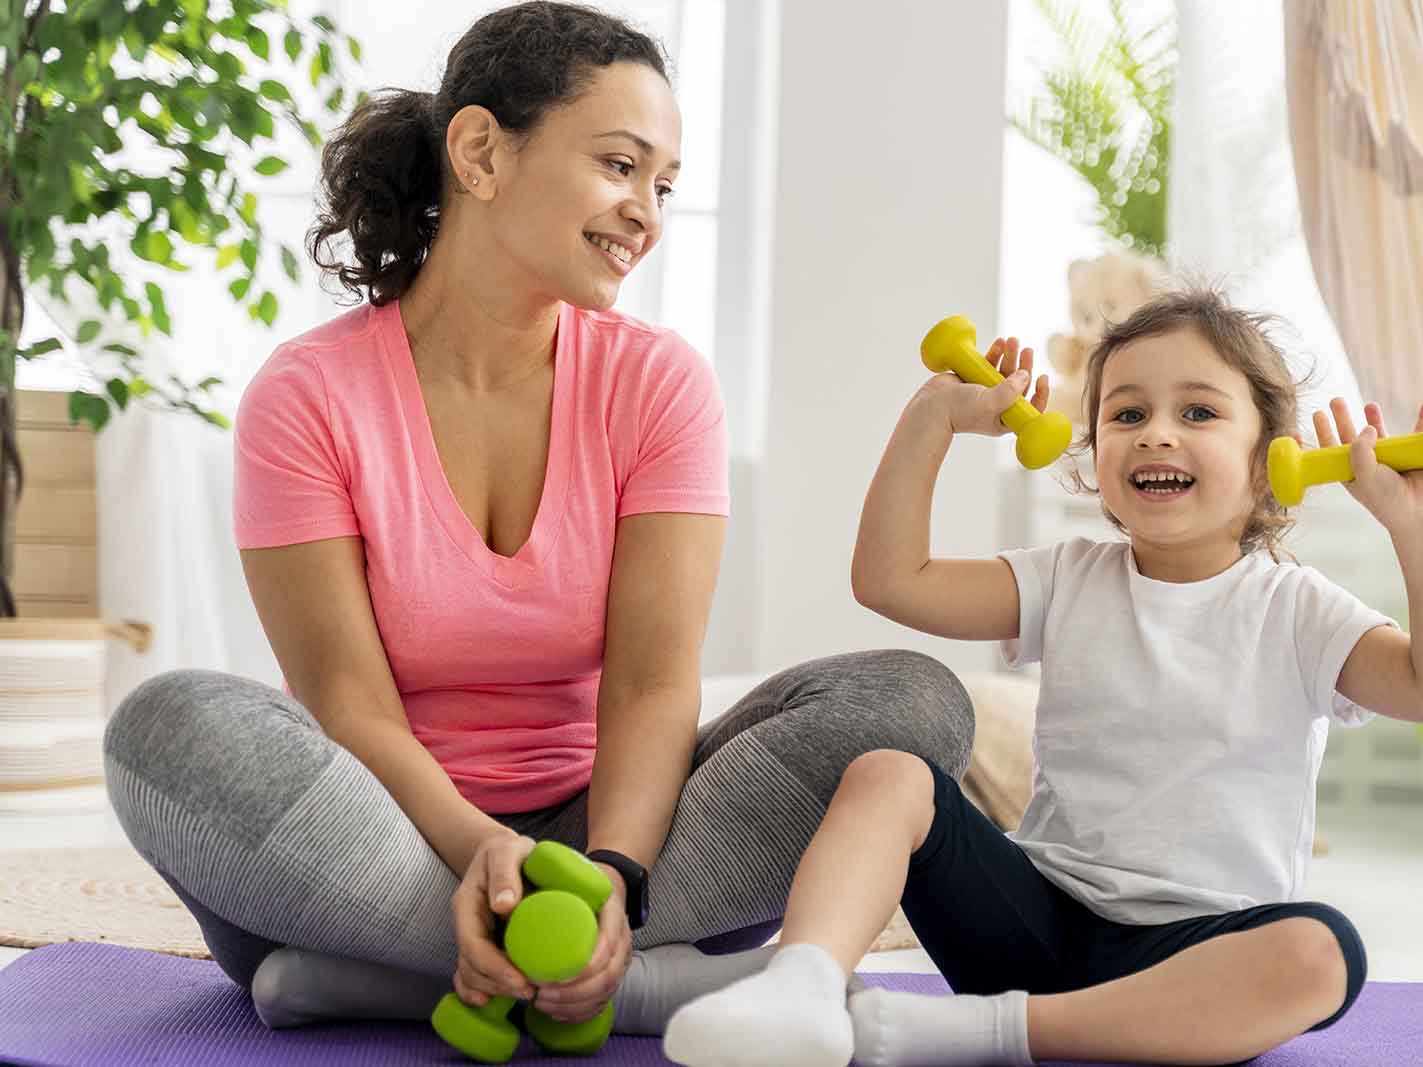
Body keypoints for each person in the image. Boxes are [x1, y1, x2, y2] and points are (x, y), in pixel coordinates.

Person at [101, 1, 973, 1036]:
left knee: (911, 704)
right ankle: (624, 979)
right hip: (374, 844)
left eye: (664, 185)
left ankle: (421, 977)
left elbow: (653, 682)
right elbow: (348, 698)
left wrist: (610, 872)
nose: (646, 210)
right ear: (478, 150)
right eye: (619, 164)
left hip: (614, 842)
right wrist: (478, 849)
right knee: (168, 726)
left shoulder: (660, 384)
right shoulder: (308, 395)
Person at [660, 287, 1423, 1067]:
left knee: (1323, 952)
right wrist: (931, 422)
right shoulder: (1070, 578)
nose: (1156, 432)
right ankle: (801, 986)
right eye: (1127, 413)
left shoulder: (1300, 609)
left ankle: (968, 1030)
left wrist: (1418, 527)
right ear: (1097, 457)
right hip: (1034, 926)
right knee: (891, 772)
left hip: (1191, 965)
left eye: (1197, 411)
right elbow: (891, 578)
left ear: (1271, 460)